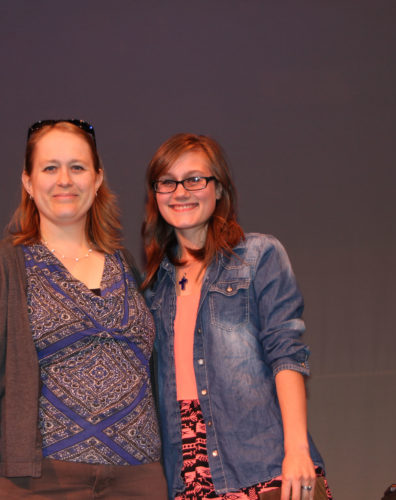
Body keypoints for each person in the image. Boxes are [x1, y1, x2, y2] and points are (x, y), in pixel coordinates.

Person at [0, 119, 166, 500]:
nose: (64, 179)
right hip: (42, 484)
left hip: (139, 480)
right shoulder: (2, 266)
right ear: (29, 183)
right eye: (50, 168)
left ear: (97, 180)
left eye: (77, 167)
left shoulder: (126, 264)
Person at [142, 133, 332, 500]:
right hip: (187, 473)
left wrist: (296, 452)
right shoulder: (153, 287)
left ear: (219, 190)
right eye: (167, 181)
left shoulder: (258, 256)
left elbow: (286, 354)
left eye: (195, 179)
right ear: (155, 195)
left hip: (263, 466)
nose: (181, 191)